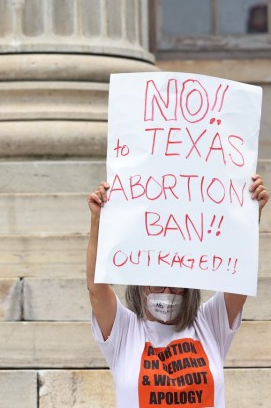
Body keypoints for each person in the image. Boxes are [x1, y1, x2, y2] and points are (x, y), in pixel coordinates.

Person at [87, 174, 268, 407]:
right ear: (139, 285)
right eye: (157, 282)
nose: (167, 291)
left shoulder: (210, 323)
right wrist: (98, 222)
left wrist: (249, 214)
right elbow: (96, 288)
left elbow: (238, 276)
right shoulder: (124, 331)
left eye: (176, 284)